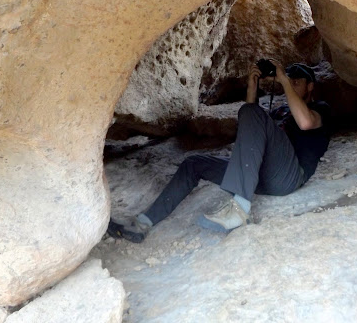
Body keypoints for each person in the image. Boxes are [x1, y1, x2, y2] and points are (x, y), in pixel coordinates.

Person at [108, 60, 331, 243]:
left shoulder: (320, 109)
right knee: (194, 163)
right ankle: (142, 224)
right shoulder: (282, 110)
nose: (291, 84)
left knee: (252, 112)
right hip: (258, 176)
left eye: (297, 82)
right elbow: (250, 125)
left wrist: (283, 81)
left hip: (289, 177)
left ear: (310, 86)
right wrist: (252, 86)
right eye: (289, 79)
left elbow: (304, 123)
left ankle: (240, 211)